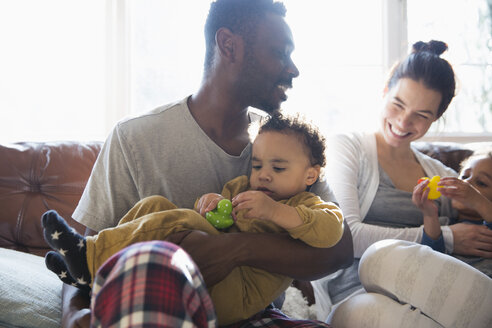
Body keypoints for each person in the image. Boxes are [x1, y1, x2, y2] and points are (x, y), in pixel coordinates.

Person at [61, 0, 353, 327]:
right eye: (281, 53)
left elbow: (339, 250)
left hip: (255, 314)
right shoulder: (134, 138)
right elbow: (84, 257)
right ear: (229, 45)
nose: (293, 68)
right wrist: (75, 316)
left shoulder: (284, 147)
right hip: (157, 306)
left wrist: (236, 249)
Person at [41, 114, 345, 325]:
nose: (263, 174)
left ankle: (90, 259)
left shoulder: (308, 203)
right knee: (155, 204)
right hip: (213, 274)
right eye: (256, 164)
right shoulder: (242, 188)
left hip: (240, 294)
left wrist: (276, 212)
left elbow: (330, 232)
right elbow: (220, 224)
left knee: (180, 221)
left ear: (310, 174)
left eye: (278, 168)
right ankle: (96, 268)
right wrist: (211, 206)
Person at [309, 40, 492, 327]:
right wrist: (449, 236)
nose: (405, 122)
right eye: (398, 104)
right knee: (380, 261)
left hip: (430, 300)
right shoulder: (347, 147)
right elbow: (345, 237)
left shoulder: (442, 174)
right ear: (385, 91)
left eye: (422, 115)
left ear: (436, 118)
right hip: (355, 294)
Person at [414, 148, 492, 277]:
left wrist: (479, 202)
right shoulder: (446, 225)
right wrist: (429, 214)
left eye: (481, 183)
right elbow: (431, 257)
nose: (466, 183)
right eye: (464, 176)